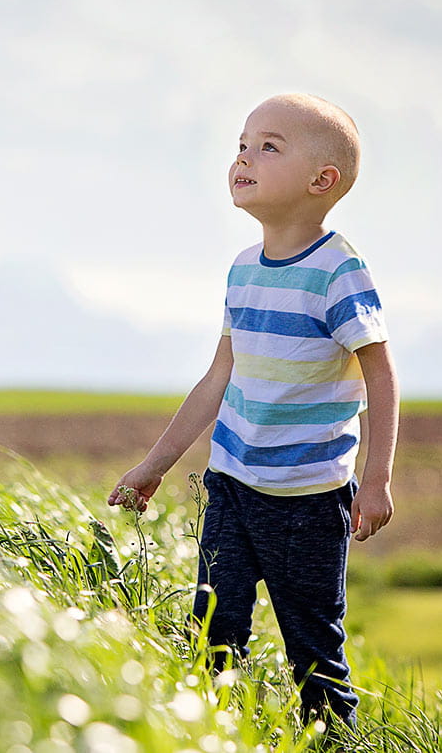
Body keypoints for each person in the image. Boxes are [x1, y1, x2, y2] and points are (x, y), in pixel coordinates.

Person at [106, 93, 399, 732]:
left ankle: (333, 743)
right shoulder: (242, 271)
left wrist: (374, 479)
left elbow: (380, 373)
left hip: (308, 501)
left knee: (314, 655)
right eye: (242, 144)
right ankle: (217, 737)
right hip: (232, 487)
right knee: (214, 633)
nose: (244, 157)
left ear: (323, 181)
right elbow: (218, 378)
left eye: (269, 146)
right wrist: (153, 466)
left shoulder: (336, 270)